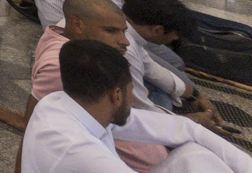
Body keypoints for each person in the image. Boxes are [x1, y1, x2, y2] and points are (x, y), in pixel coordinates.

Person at [21, 39, 251, 173]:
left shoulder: (67, 103)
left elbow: (186, 129)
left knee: (195, 156)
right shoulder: (76, 151)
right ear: (117, 95)